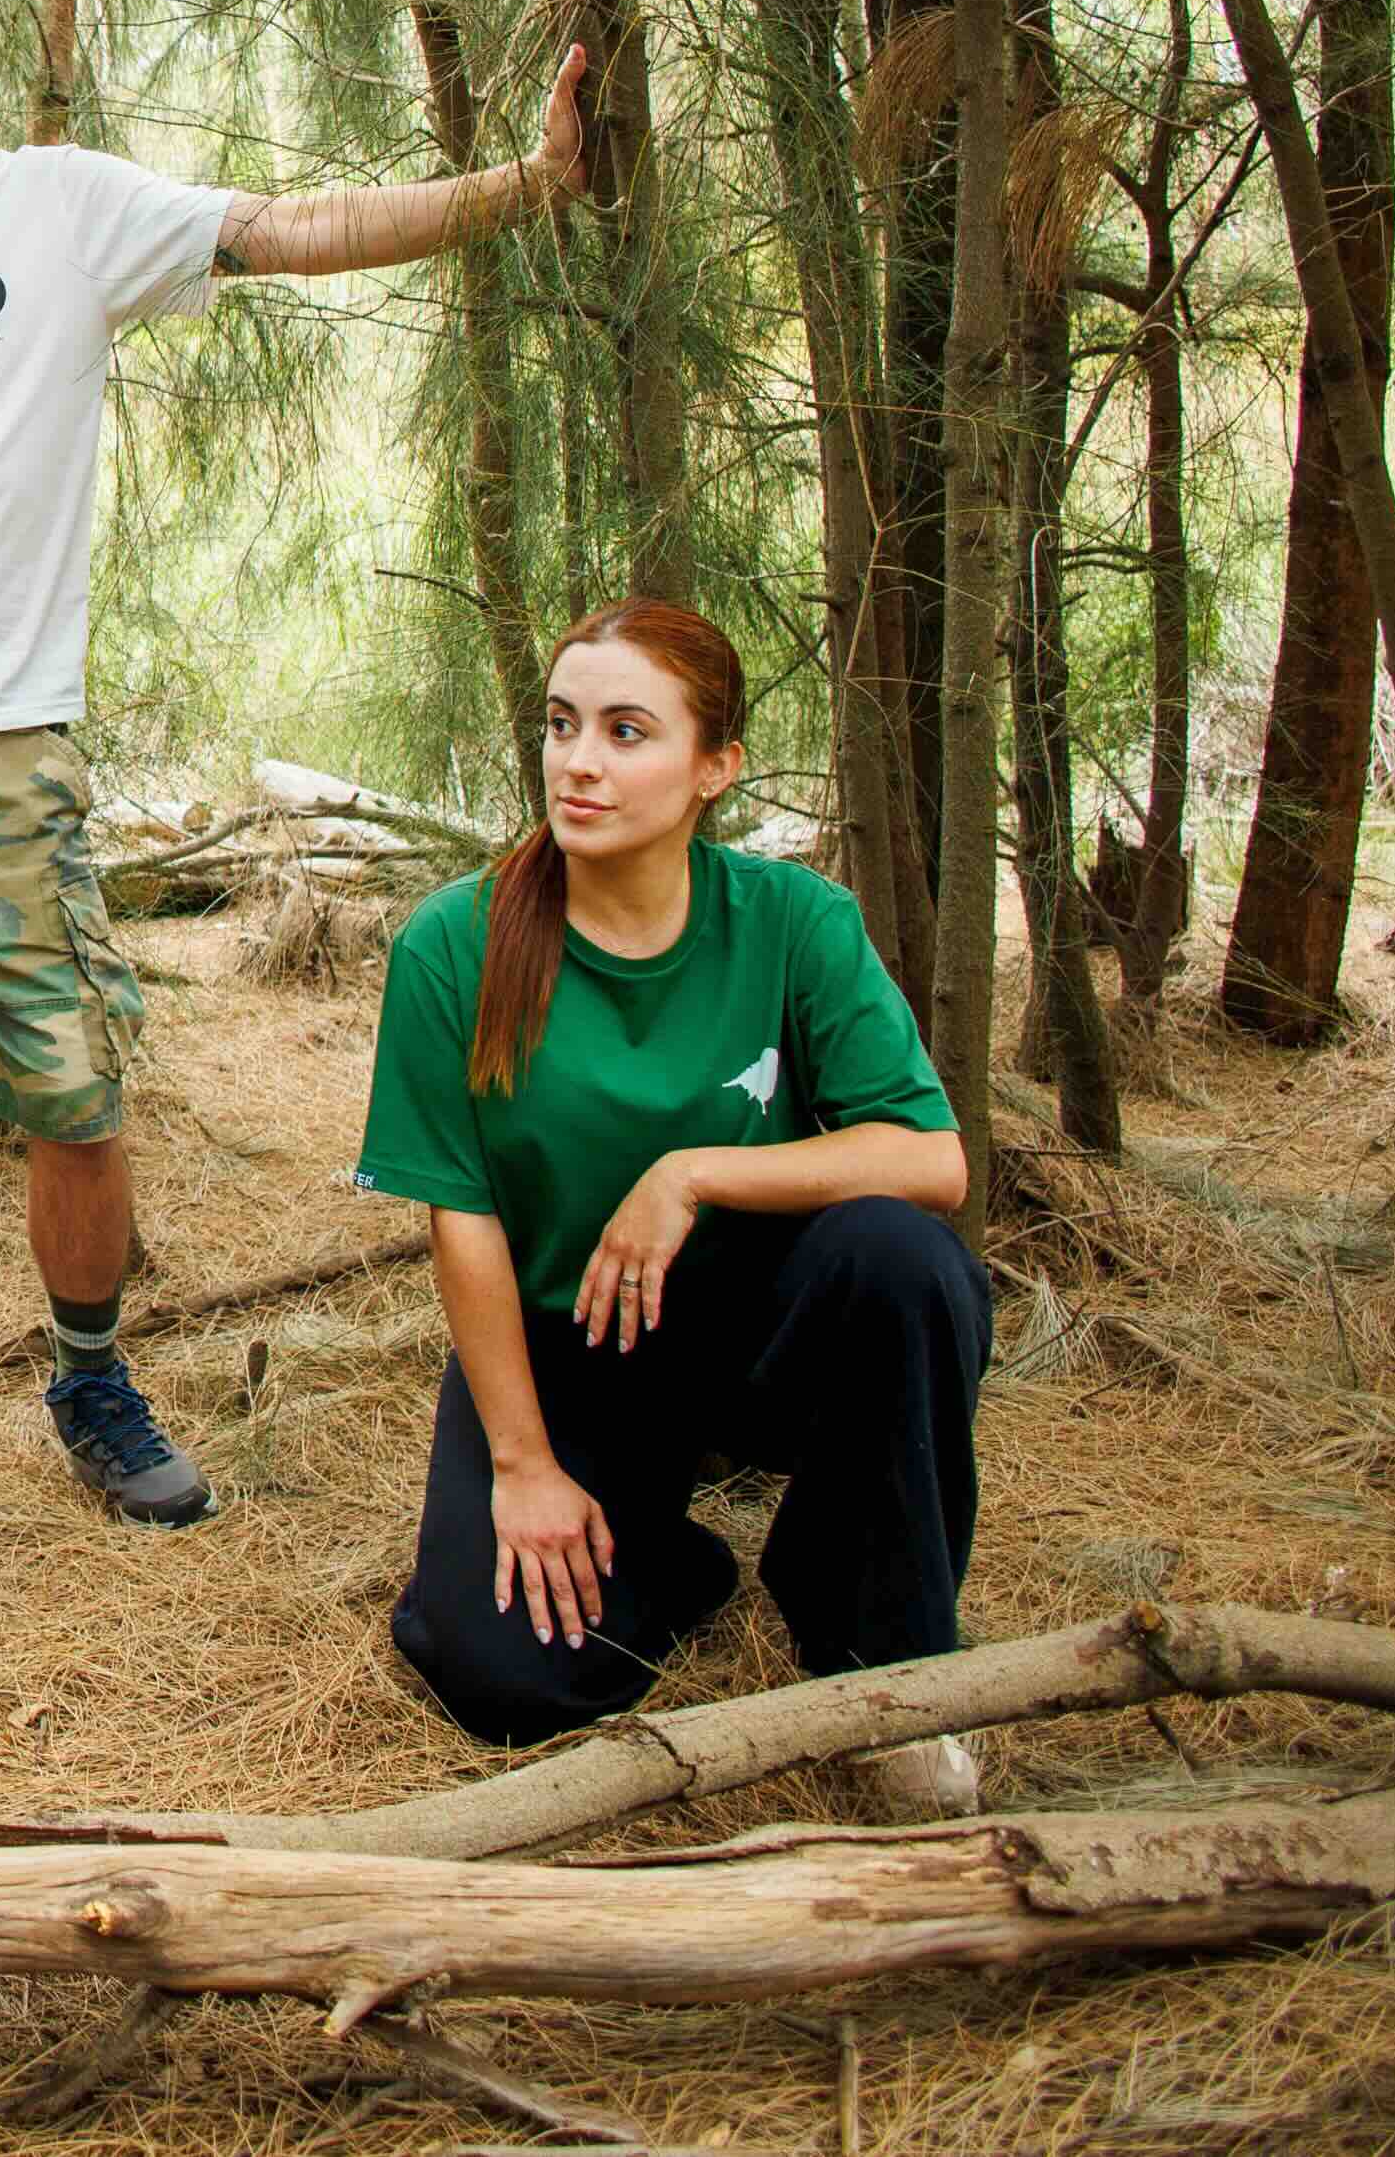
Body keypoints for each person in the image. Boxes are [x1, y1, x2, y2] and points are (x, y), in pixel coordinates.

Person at [0, 0, 588, 1523]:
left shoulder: (59, 207)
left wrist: (526, 183)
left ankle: (93, 1380)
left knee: (71, 1089)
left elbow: (297, 227)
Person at [356, 599, 989, 1810]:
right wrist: (524, 1464)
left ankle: (888, 1658)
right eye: (561, 724)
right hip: (572, 1359)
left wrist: (691, 1172)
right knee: (498, 1678)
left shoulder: (795, 923)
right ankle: (674, 1558)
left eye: (628, 731)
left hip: (759, 1336)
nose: (579, 762)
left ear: (715, 769)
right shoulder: (456, 943)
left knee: (902, 1260)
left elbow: (931, 1160)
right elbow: (465, 1219)